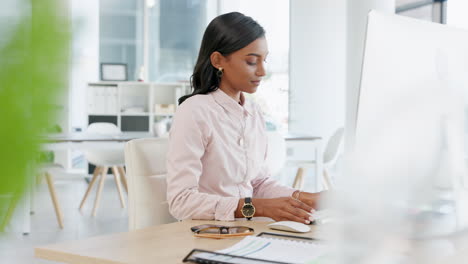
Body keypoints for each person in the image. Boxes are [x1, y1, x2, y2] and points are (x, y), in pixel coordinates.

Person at [166, 12, 322, 224]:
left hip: (248, 231)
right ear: (218, 60)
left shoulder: (254, 112)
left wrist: (304, 198)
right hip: (206, 233)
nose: (262, 71)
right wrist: (254, 208)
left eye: (264, 60)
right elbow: (181, 201)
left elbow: (257, 183)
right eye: (251, 61)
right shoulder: (194, 111)